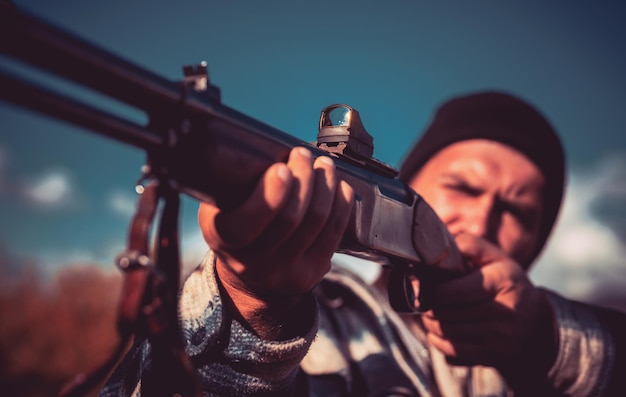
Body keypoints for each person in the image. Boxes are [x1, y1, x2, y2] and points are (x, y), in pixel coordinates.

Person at [99, 91, 625, 396]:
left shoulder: (537, 353)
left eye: (518, 212)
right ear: (409, 190)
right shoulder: (333, 324)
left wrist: (546, 341)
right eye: (463, 187)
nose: (483, 219)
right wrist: (251, 305)